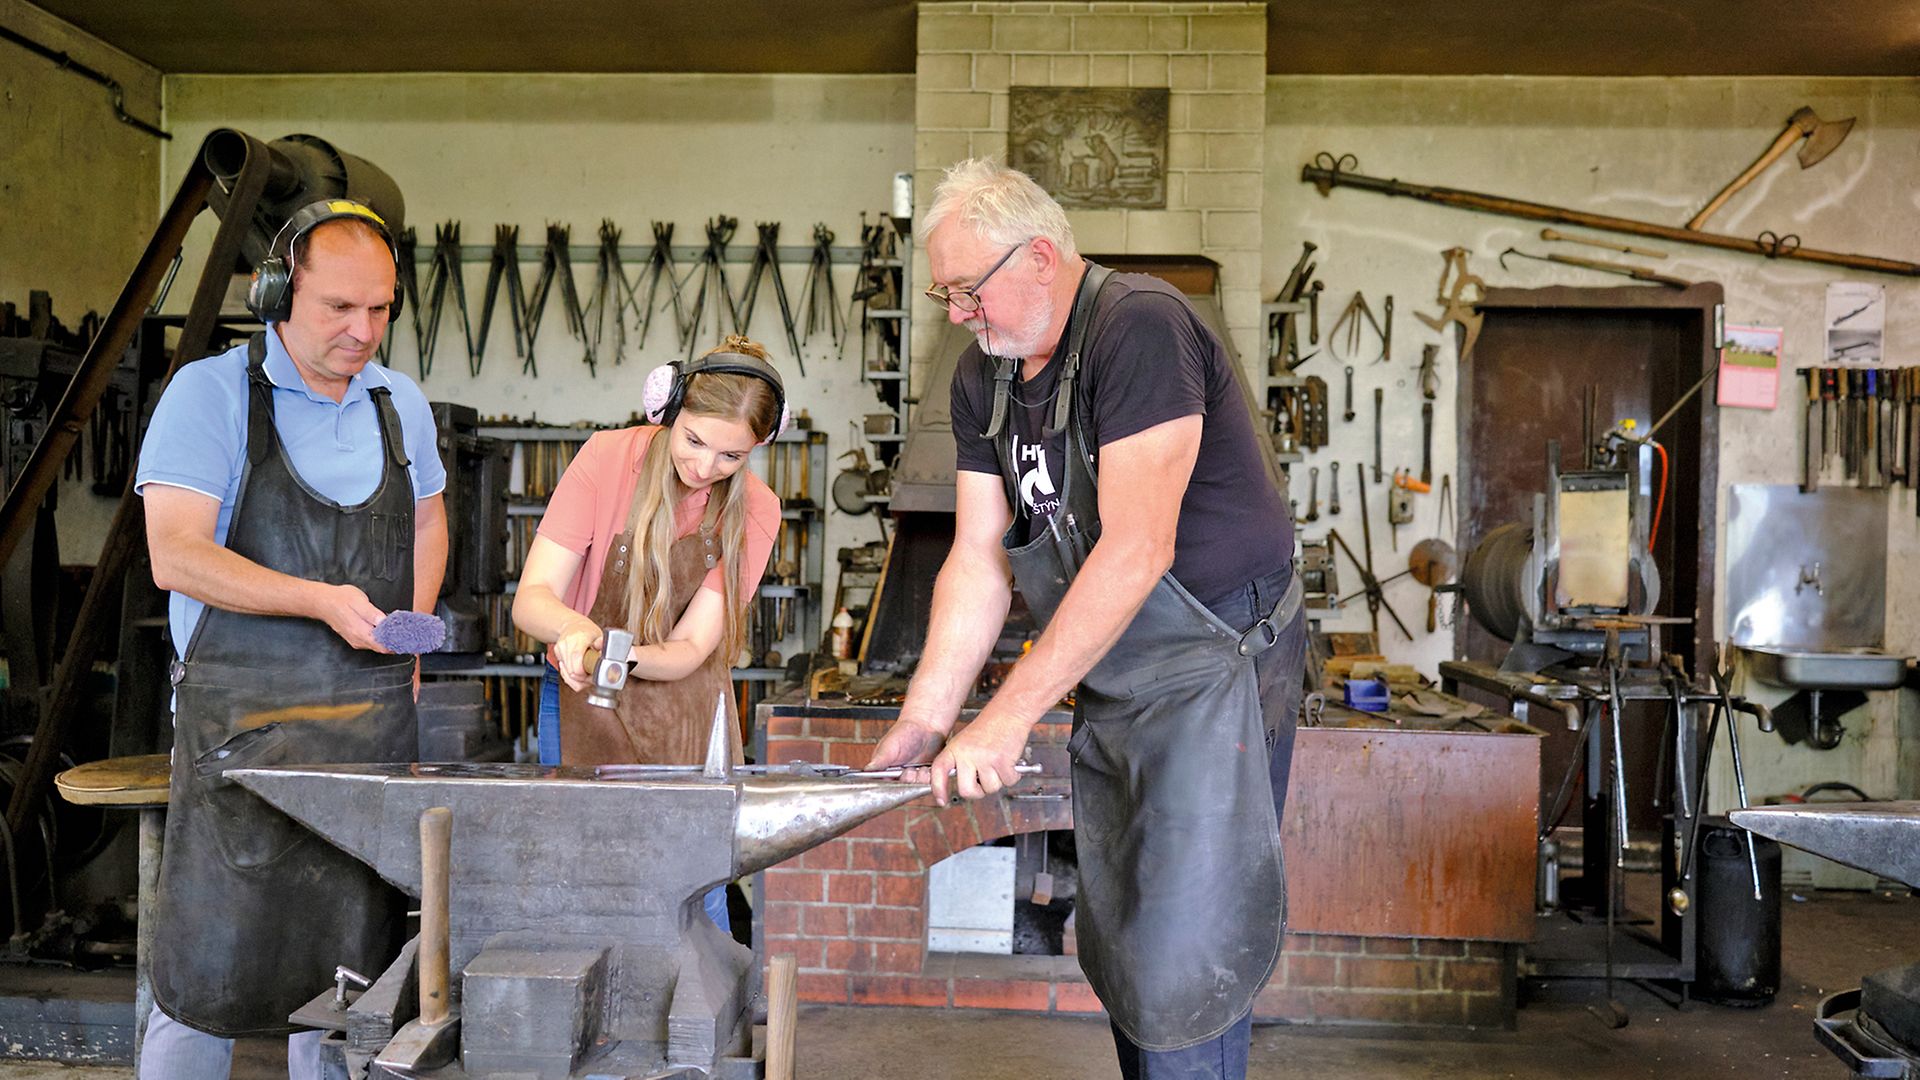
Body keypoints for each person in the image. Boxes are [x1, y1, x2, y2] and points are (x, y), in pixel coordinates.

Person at [867, 160, 1307, 1080]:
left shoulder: (1138, 326)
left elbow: (1138, 548)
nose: (955, 314)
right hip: (1123, 666)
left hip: (1214, 659)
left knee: (1188, 937)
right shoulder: (983, 377)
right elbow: (980, 556)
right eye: (944, 294)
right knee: (1129, 929)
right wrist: (926, 716)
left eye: (965, 291)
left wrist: (1009, 713)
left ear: (1037, 259)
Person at [134, 199, 448, 1078]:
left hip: (370, 732)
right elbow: (177, 556)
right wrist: (321, 601)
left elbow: (428, 521)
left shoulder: (399, 404)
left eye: (381, 308)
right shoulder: (212, 392)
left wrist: (408, 642)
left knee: (351, 976)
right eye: (338, 308)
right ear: (279, 293)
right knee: (208, 969)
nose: (363, 330)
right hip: (243, 727)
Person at [511, 335, 784, 931]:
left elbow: (689, 649)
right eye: (694, 440)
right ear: (668, 408)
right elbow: (532, 600)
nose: (704, 467)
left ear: (759, 446)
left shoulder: (758, 507)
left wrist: (620, 654)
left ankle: (702, 1022)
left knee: (697, 889)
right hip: (585, 702)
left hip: (689, 713)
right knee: (587, 874)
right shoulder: (607, 459)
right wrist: (577, 631)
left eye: (731, 457)